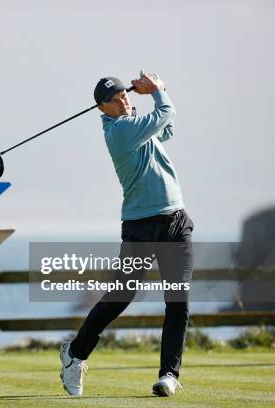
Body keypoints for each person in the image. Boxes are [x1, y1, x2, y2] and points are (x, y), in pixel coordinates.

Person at [59, 72, 194, 397]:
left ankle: (169, 375)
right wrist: (158, 90)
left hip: (176, 219)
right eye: (116, 99)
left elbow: (168, 126)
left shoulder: (135, 126)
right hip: (141, 225)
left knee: (179, 300)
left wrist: (157, 93)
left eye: (125, 94)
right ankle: (75, 353)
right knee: (122, 296)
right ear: (102, 108)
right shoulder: (120, 132)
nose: (124, 100)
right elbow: (166, 114)